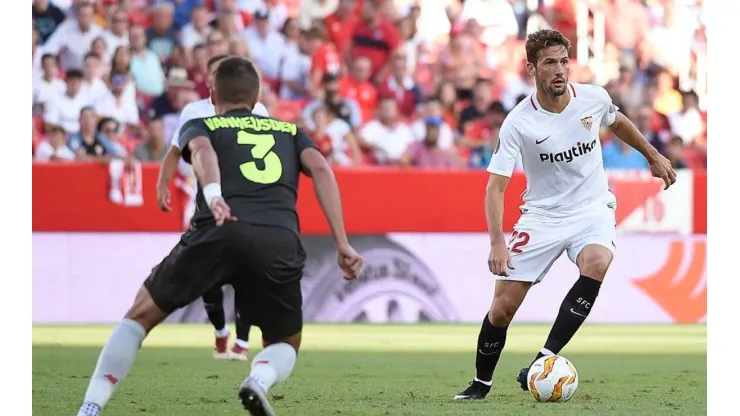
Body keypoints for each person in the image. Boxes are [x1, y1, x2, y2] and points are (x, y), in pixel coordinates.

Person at [76, 56, 363, 416]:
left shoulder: (201, 124)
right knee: (285, 342)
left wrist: (213, 195)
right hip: (277, 239)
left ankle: (91, 406)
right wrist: (342, 242)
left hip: (218, 231)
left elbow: (202, 152)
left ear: (212, 94)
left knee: (140, 315)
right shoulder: (291, 132)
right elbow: (321, 168)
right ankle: (259, 379)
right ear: (257, 96)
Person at [453, 29, 676, 401]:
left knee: (598, 261)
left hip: (591, 208)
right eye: (549, 63)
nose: (559, 70)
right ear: (532, 69)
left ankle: (543, 360)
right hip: (541, 216)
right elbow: (496, 186)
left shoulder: (592, 99)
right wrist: (497, 242)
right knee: (502, 308)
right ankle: (481, 382)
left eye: (563, 62)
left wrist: (652, 155)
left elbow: (616, 120)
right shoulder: (519, 123)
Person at [156, 54, 270, 361]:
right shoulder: (194, 112)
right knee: (208, 273)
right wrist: (162, 183)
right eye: (216, 73)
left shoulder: (258, 111)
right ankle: (221, 331)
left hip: (246, 202)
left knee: (247, 272)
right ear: (208, 79)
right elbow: (175, 150)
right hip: (207, 202)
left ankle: (243, 341)